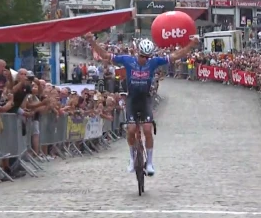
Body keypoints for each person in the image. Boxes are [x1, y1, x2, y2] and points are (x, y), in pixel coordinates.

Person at [84, 32, 198, 175]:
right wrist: (92, 42)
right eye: (143, 56)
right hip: (132, 98)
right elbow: (106, 55)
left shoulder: (153, 62)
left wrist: (191, 45)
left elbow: (175, 56)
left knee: (148, 130)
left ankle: (149, 162)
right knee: (131, 130)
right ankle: (132, 159)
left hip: (145, 98)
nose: (145, 60)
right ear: (138, 53)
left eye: (147, 57)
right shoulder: (127, 60)